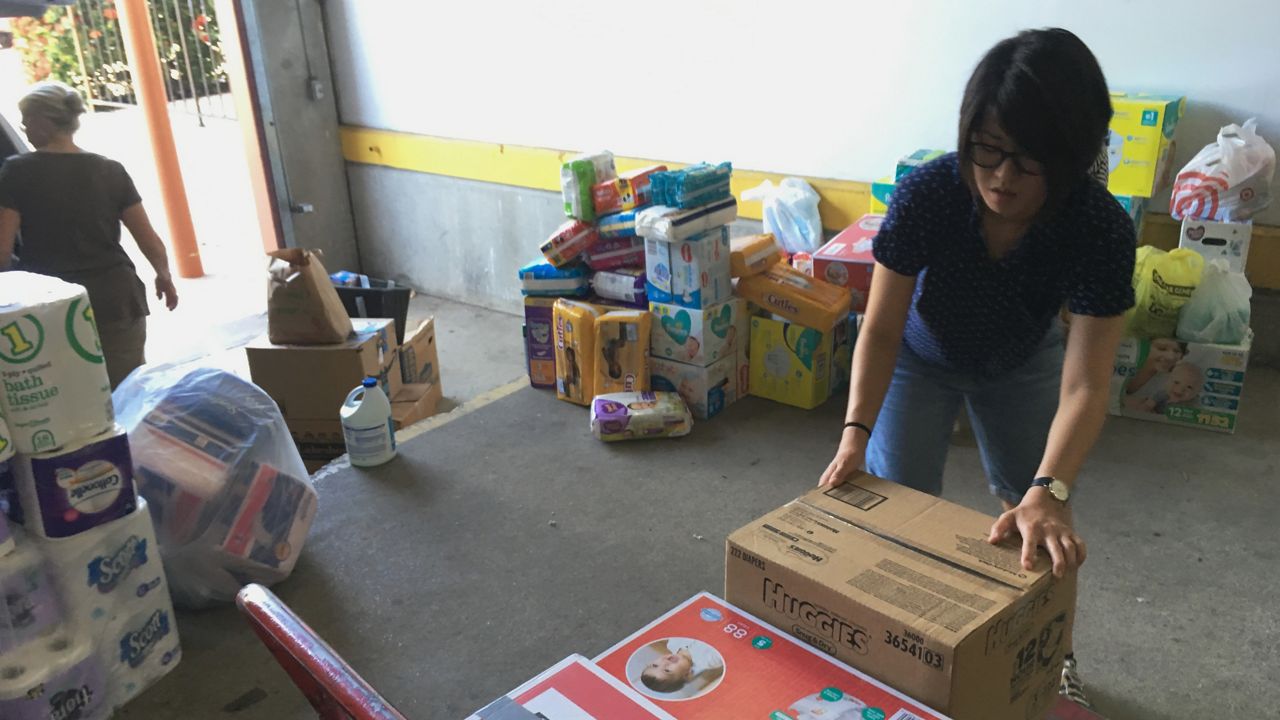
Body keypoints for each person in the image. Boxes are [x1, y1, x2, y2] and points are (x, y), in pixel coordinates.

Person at [817, 29, 1135, 708]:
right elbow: (879, 325)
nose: (1000, 177)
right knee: (901, 507)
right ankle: (909, 655)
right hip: (919, 359)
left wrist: (1052, 487)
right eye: (985, 150)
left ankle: (1052, 659)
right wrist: (854, 429)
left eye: (1027, 160)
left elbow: (1086, 382)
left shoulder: (1099, 228)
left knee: (1040, 525)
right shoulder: (930, 192)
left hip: (1023, 362)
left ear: (1073, 157)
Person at [0, 81, 178, 388]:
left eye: (27, 121)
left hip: (51, 305)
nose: (25, 128)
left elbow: (2, 250)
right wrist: (163, 275)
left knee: (68, 395)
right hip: (116, 299)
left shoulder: (17, 172)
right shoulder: (110, 170)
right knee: (128, 391)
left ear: (44, 122)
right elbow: (148, 238)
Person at [637, 637, 724, 695]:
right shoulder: (709, 661)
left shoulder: (671, 644)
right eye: (667, 670)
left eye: (655, 665)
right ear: (687, 674)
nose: (664, 663)